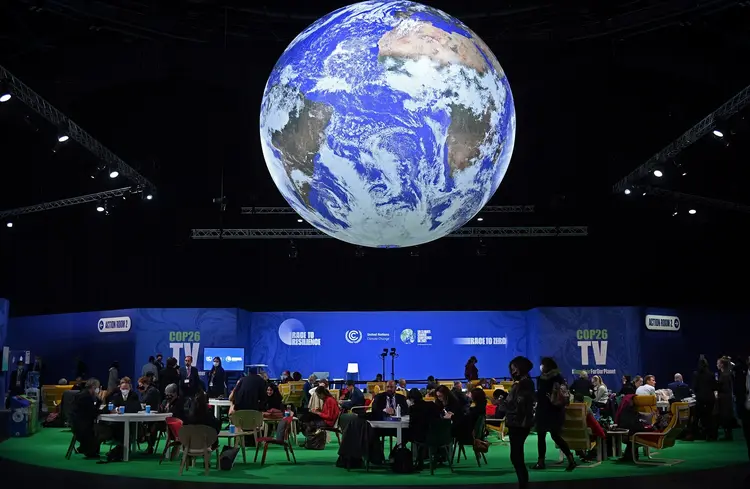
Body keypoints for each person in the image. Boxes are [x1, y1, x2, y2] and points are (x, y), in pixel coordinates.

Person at [533, 357, 576, 471]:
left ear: (547, 366)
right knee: (554, 436)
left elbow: (541, 394)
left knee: (543, 436)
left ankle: (541, 462)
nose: (541, 367)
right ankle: (570, 459)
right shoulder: (559, 378)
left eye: (543, 364)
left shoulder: (543, 379)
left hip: (547, 410)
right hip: (555, 411)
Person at [500, 356, 535, 489]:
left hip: (519, 423)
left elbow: (518, 404)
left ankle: (523, 484)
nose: (512, 371)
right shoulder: (524, 383)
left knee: (516, 456)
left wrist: (503, 403)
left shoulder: (524, 384)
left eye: (515, 368)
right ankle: (523, 483)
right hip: (518, 422)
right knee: (516, 456)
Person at [71, 378, 103, 459]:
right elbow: (93, 413)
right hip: (82, 427)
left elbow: (92, 411)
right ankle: (90, 451)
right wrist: (100, 402)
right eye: (97, 387)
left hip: (78, 424)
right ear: (93, 387)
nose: (98, 389)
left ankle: (87, 449)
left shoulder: (83, 394)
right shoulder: (85, 397)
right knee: (100, 430)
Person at [716, 357, 735, 440]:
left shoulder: (725, 375)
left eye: (718, 363)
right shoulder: (726, 374)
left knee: (725, 415)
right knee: (726, 415)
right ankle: (727, 433)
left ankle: (728, 434)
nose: (717, 365)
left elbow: (725, 387)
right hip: (726, 397)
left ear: (722, 364)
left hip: (725, 398)